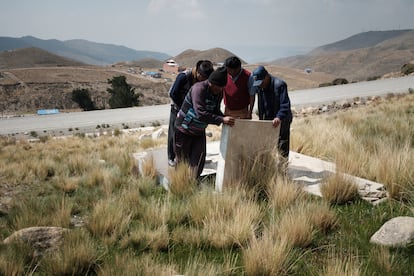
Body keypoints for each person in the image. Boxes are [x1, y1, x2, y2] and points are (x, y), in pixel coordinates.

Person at [174, 66, 235, 179]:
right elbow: (201, 114)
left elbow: (215, 110)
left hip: (199, 131)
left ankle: (192, 184)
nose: (220, 90)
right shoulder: (198, 89)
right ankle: (178, 185)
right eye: (218, 87)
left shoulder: (218, 92)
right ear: (211, 83)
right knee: (182, 160)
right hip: (184, 129)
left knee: (198, 160)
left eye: (222, 87)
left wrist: (225, 117)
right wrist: (221, 120)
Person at [167, 60, 214, 167]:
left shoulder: (200, 81)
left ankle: (188, 157)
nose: (204, 80)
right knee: (174, 133)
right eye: (203, 77)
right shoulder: (183, 77)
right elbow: (173, 93)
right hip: (177, 108)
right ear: (198, 72)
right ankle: (171, 157)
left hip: (192, 111)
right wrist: (182, 108)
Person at [250, 65, 293, 159]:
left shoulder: (279, 85)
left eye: (261, 82)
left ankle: (283, 168)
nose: (260, 85)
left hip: (282, 120)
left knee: (282, 144)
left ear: (266, 76)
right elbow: (261, 105)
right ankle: (269, 168)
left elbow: (285, 105)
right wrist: (261, 119)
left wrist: (279, 117)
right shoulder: (260, 87)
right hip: (269, 120)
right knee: (267, 145)